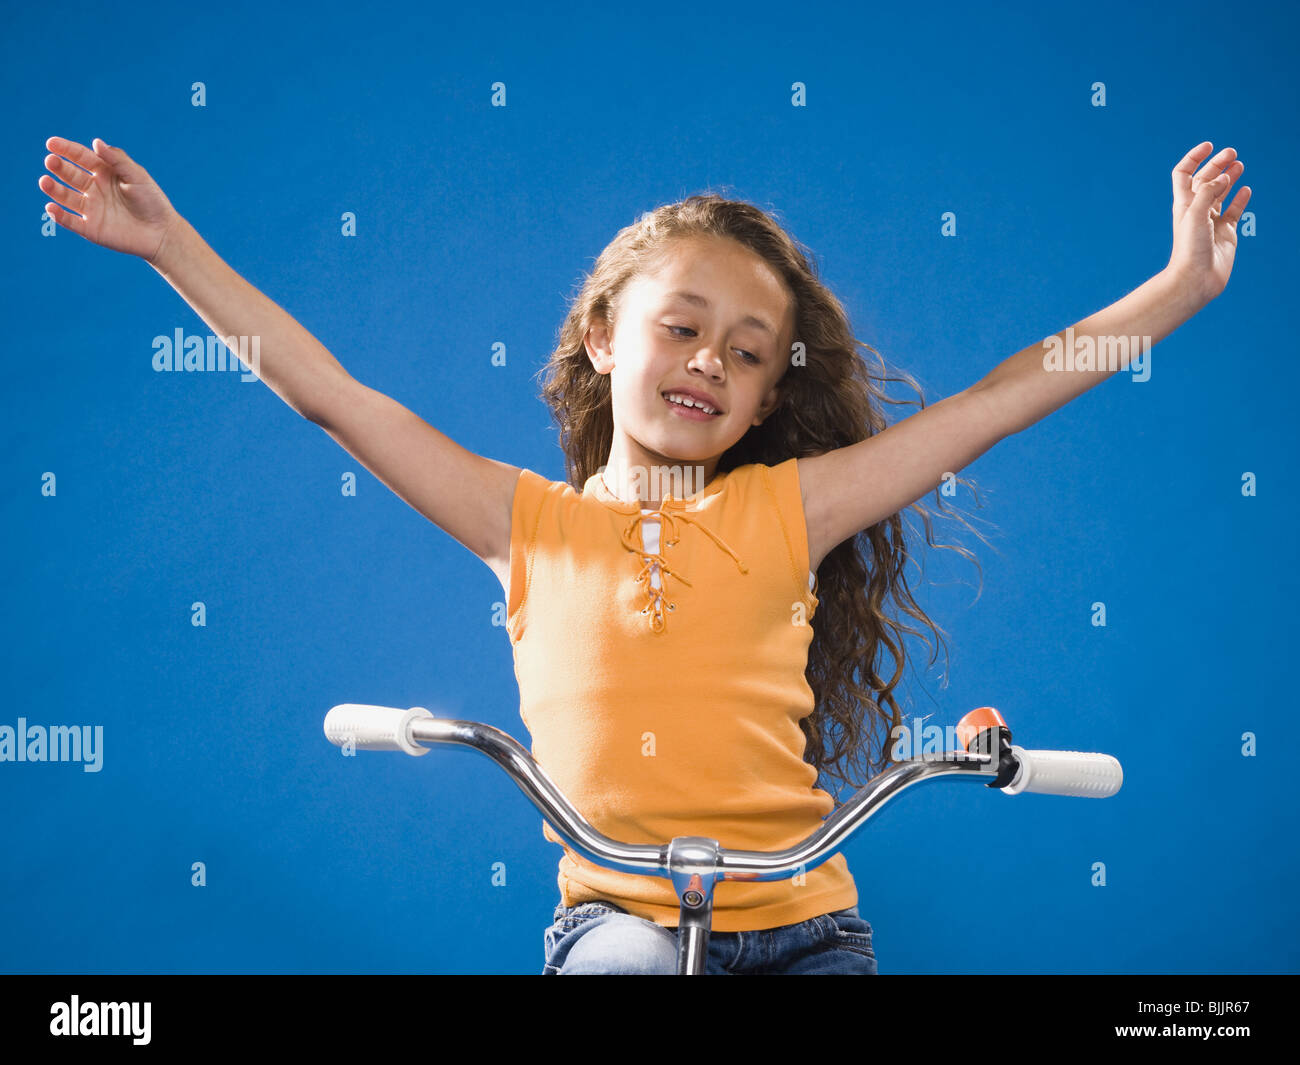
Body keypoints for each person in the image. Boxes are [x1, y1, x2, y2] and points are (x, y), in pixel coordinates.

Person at [38, 137, 1250, 974]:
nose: (708, 363)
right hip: (619, 917)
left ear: (772, 394)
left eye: (746, 351)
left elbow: (993, 401)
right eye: (681, 327)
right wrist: (169, 247)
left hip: (805, 923)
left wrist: (1177, 288)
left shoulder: (792, 507)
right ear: (601, 335)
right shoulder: (524, 523)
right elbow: (333, 397)